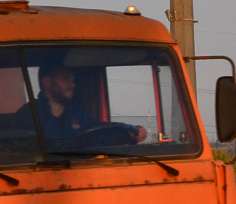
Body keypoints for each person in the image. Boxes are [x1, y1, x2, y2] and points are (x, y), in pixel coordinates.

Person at [15, 58, 147, 145]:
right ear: (47, 82)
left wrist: (129, 133)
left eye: (73, 80)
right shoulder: (27, 115)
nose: (73, 85)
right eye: (66, 79)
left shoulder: (77, 112)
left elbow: (100, 131)